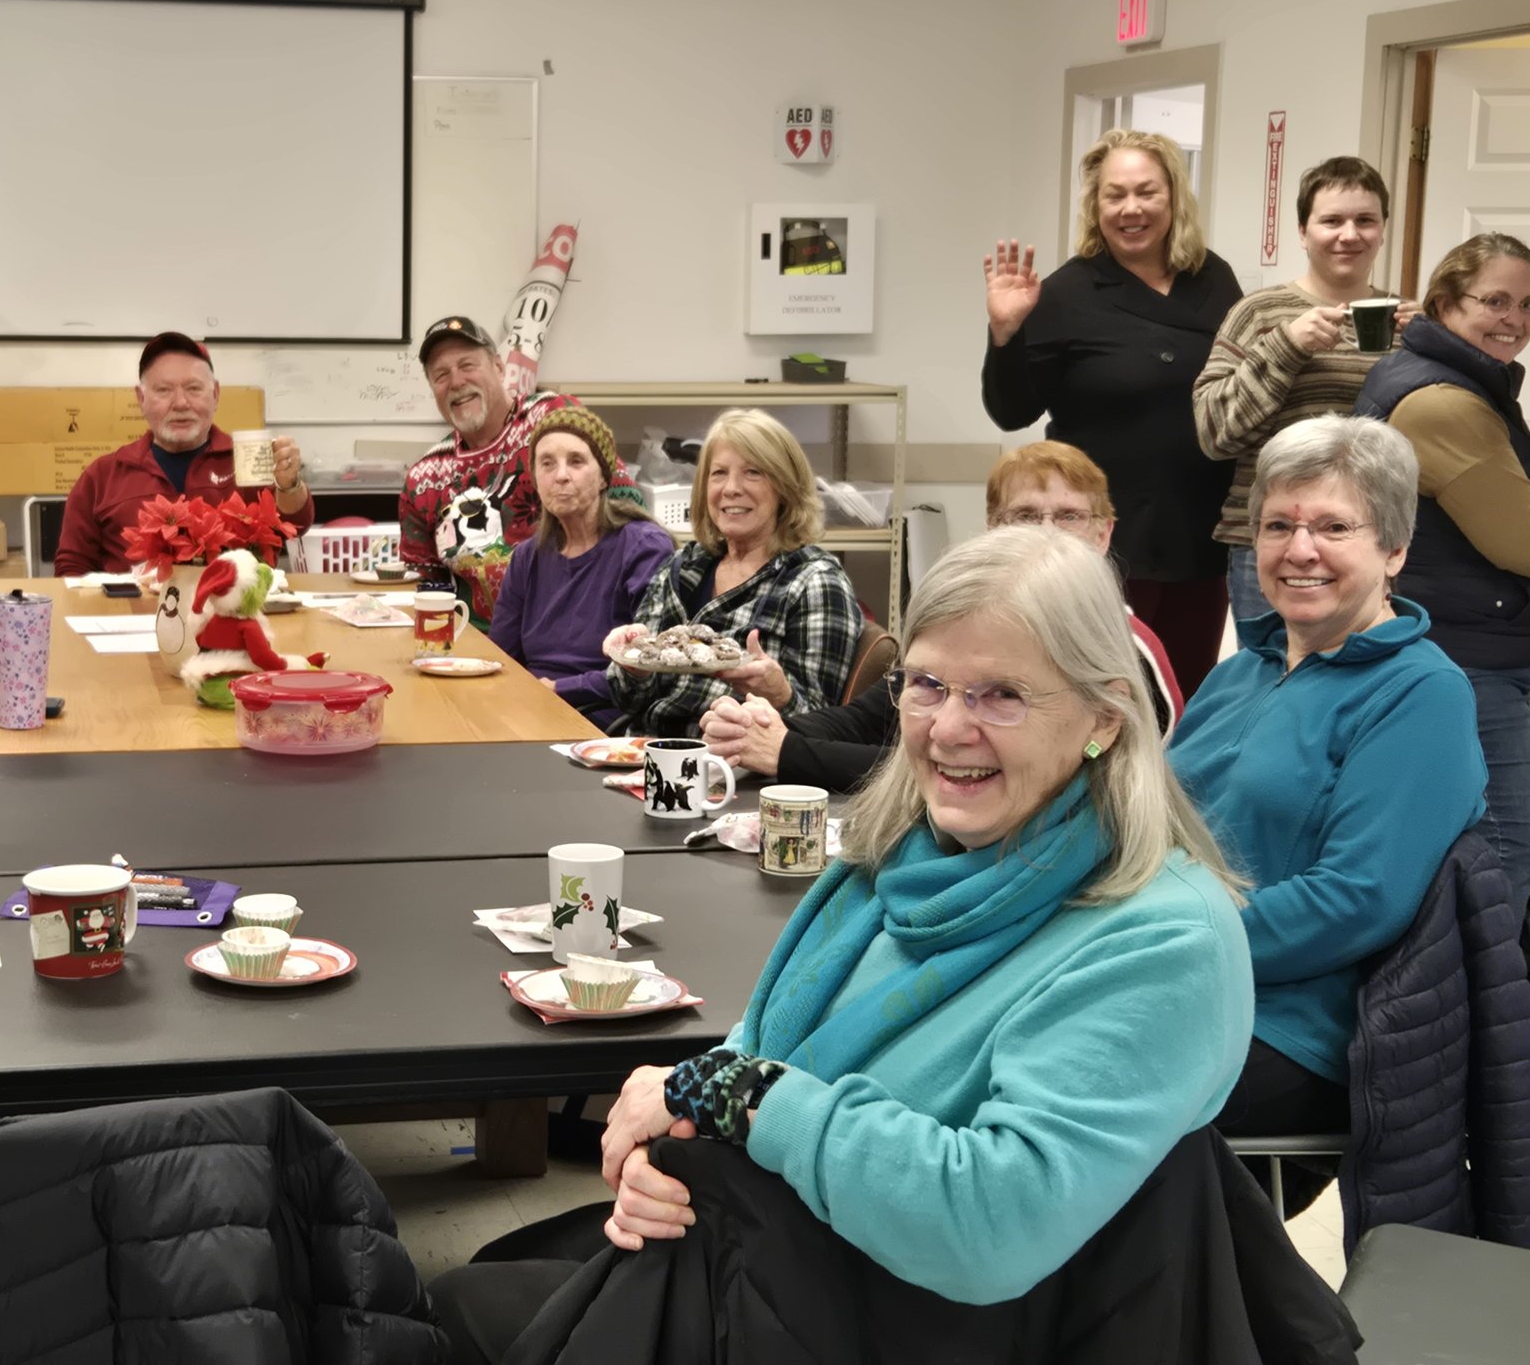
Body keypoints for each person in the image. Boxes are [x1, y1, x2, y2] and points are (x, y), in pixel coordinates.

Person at [445, 526, 1254, 1356]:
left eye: (1001, 694)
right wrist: (674, 1144)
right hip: (794, 1266)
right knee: (469, 1289)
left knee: (461, 1313)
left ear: (1105, 719)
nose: (947, 729)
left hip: (918, 1321)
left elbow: (989, 1224)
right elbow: (755, 1047)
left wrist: (738, 1098)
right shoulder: (895, 861)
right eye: (928, 684)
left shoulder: (1162, 939)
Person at [1168, 417, 1488, 1211]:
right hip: (1174, 980)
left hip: (1284, 1028)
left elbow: (1357, 898)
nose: (1298, 549)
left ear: (1394, 550)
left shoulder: (1421, 694)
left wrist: (1161, 943)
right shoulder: (1244, 669)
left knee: (1040, 1106)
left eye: (1333, 527)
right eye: (1278, 525)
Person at [1356, 234, 1530, 1106]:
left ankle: (1440, 1034)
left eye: (1527, 304)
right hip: (1465, 656)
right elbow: (1516, 534)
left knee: (1451, 851)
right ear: (1446, 302)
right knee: (1506, 841)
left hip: (1452, 645)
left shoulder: (1439, 381)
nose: (1513, 319)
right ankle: (1473, 1047)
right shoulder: (1443, 402)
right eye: (1493, 302)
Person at [700, 441, 1184, 791]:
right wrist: (757, 729)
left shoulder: (1123, 654)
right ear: (992, 529)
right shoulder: (971, 628)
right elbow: (868, 720)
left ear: (1104, 534)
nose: (1047, 533)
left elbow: (956, 768)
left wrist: (788, 751)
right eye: (1025, 516)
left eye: (1069, 517)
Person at [983, 128, 1243, 696]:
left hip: (1202, 534)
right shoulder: (1067, 292)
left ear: (1173, 198)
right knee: (1101, 697)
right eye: (1114, 195)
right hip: (1100, 542)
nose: (1131, 209)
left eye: (1146, 192)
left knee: (1187, 698)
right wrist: (1005, 334)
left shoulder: (1214, 280)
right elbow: (1011, 411)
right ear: (1094, 207)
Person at [1195, 157, 1415, 622]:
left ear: (1383, 229)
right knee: (1278, 680)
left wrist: (1433, 347)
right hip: (1269, 542)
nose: (1349, 234)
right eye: (1331, 220)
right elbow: (1213, 433)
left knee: (1362, 683)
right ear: (1303, 230)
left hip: (1371, 541)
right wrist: (1286, 346)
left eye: (1365, 220)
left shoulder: (1407, 323)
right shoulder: (1259, 313)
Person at [605, 409, 858, 738]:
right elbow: (630, 701)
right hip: (650, 755)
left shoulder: (815, 583)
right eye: (719, 473)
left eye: (753, 472)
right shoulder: (683, 568)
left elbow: (824, 734)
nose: (731, 488)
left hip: (742, 771)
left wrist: (780, 694)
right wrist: (632, 667)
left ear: (785, 487)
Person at [398, 314, 641, 619]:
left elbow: (626, 509)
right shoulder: (425, 478)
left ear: (499, 367)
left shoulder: (551, 418)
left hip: (578, 626)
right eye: (441, 375)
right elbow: (423, 586)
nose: (456, 382)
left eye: (467, 365)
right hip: (475, 644)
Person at [52, 332, 314, 576]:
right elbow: (71, 567)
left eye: (193, 388)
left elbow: (296, 527)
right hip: (132, 619)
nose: (180, 403)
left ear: (216, 394)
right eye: (163, 390)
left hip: (233, 620)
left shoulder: (249, 461)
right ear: (141, 399)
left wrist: (289, 485)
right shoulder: (102, 476)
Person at [487, 407, 674, 726]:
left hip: (605, 718)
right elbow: (502, 659)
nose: (560, 475)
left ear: (604, 477)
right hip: (532, 709)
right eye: (547, 463)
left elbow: (654, 665)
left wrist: (560, 689)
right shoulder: (527, 557)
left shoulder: (643, 548)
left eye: (576, 461)